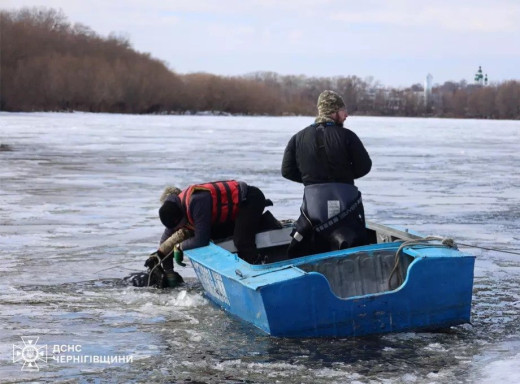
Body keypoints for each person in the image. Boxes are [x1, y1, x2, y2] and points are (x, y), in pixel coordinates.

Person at [281, 90, 372, 257]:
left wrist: (312, 180)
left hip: (314, 206)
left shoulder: (297, 138)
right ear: (333, 111)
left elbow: (287, 171)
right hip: (346, 203)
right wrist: (344, 178)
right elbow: (365, 166)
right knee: (350, 239)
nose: (346, 115)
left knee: (316, 240)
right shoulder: (348, 136)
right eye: (343, 110)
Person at [157, 180, 267, 284]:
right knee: (217, 238)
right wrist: (168, 270)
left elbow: (201, 240)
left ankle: (260, 272)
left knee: (241, 241)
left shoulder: (196, 202)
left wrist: (180, 247)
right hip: (234, 212)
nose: (181, 227)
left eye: (181, 224)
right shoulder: (172, 209)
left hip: (249, 200)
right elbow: (165, 241)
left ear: (181, 214)